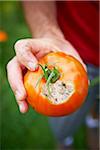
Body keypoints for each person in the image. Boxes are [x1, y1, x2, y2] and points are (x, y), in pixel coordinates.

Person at [7, 1, 99, 147]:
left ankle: (93, 121)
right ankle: (64, 139)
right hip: (75, 51)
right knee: (63, 127)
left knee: (96, 105)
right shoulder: (58, 60)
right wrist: (47, 33)